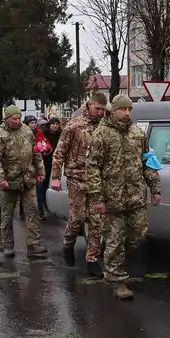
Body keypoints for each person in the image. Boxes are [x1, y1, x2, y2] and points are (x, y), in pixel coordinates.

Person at [86, 94, 161, 299]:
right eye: (122, 109)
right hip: (112, 200)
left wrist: (155, 188)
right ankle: (117, 280)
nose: (127, 113)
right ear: (114, 110)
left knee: (138, 234)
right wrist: (97, 199)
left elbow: (148, 162)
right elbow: (93, 168)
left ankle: (111, 255)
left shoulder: (138, 134)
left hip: (136, 197)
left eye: (129, 109)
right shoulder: (101, 134)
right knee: (115, 239)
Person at [52, 92, 107, 275]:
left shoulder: (105, 125)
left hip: (98, 180)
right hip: (77, 178)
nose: (100, 112)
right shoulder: (74, 125)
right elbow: (60, 152)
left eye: (102, 109)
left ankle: (92, 259)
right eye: (97, 108)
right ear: (89, 105)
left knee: (96, 221)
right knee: (76, 219)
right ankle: (68, 244)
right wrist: (55, 177)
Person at [0, 105, 48, 259]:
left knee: (32, 212)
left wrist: (40, 171)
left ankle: (33, 244)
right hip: (9, 180)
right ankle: (8, 245)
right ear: (7, 119)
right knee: (7, 215)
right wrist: (0, 178)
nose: (17, 121)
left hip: (28, 179)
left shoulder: (27, 131)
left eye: (19, 118)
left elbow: (36, 152)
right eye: (14, 119)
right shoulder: (0, 134)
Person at [36, 117, 61, 220]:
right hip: (43, 161)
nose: (55, 126)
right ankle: (40, 207)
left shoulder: (62, 134)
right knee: (40, 185)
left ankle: (47, 204)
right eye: (53, 124)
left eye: (57, 124)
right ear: (49, 125)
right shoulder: (43, 133)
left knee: (48, 185)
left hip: (55, 163)